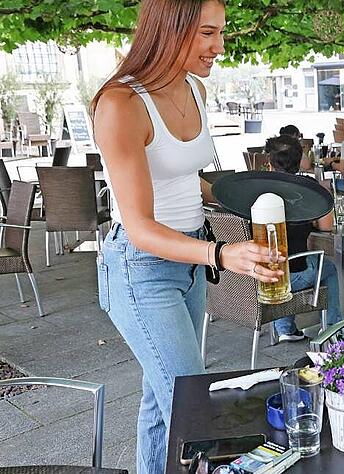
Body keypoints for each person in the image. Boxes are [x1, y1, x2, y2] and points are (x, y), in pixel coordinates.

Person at [91, 1, 283, 472]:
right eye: (207, 33)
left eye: (221, 32)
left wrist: (242, 197)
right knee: (192, 405)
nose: (220, 46)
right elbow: (140, 227)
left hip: (191, 259)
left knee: (163, 403)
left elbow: (182, 175)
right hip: (142, 268)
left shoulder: (194, 87)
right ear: (170, 29)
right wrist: (221, 254)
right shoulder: (120, 104)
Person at [264, 135, 343, 341]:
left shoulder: (257, 188)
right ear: (300, 161)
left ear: (269, 162)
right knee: (329, 268)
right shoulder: (308, 187)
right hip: (294, 275)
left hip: (258, 275)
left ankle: (285, 328)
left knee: (282, 259)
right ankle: (334, 328)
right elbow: (326, 226)